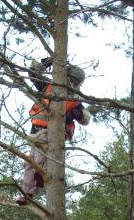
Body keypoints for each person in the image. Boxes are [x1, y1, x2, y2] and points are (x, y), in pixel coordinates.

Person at [16, 58, 91, 205]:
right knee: (30, 163)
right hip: (37, 131)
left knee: (38, 159)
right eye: (71, 80)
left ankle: (37, 182)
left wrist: (76, 114)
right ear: (65, 77)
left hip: (55, 132)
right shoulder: (49, 87)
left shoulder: (75, 99)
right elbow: (33, 74)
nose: (72, 84)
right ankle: (30, 190)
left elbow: (85, 119)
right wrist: (45, 63)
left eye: (76, 82)